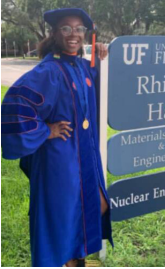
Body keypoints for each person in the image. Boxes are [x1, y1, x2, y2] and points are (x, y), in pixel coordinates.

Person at [1, 8, 112, 267]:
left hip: (85, 153)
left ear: (85, 34)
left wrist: (100, 54)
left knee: (98, 204)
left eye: (79, 29)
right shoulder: (49, 70)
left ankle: (76, 259)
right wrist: (46, 131)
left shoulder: (81, 66)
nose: (73, 34)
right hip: (60, 157)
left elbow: (101, 89)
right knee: (63, 215)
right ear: (54, 33)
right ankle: (67, 261)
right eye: (66, 28)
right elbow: (16, 104)